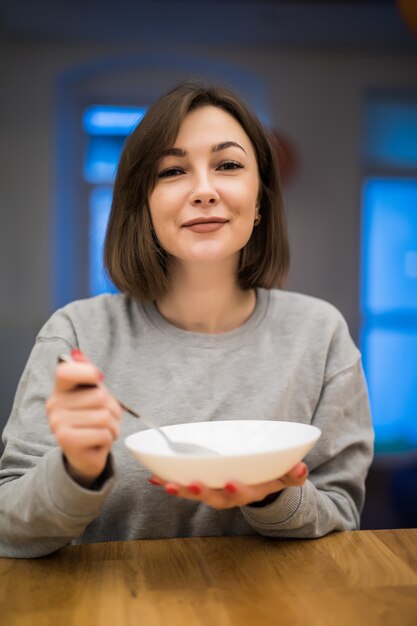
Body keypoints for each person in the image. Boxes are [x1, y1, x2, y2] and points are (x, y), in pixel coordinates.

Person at [0, 82, 374, 558]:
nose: (203, 190)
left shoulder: (320, 335)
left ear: (260, 200)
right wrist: (77, 469)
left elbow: (341, 513)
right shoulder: (76, 333)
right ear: (144, 203)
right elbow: (7, 526)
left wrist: (272, 494)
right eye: (173, 171)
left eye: (229, 165)